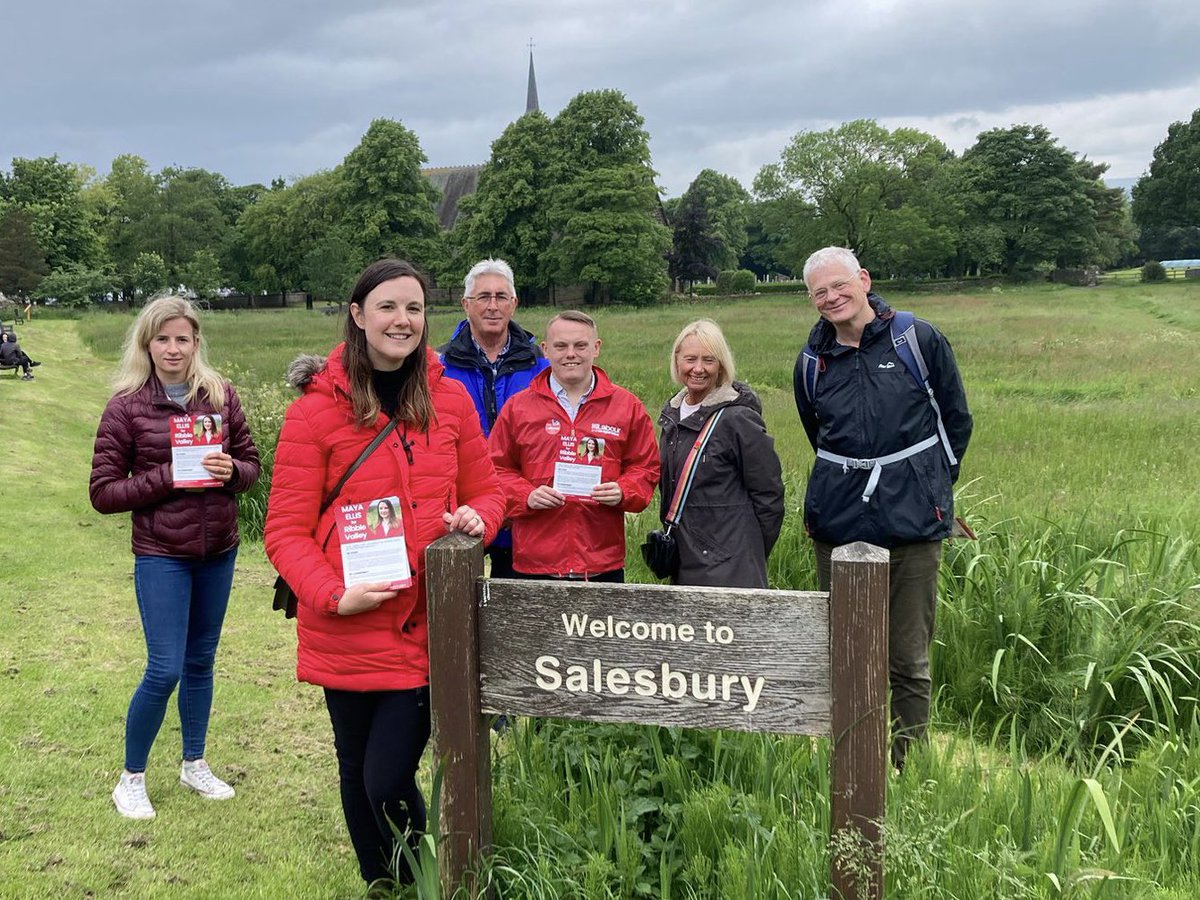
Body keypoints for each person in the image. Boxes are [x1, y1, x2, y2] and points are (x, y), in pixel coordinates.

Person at [263, 259, 506, 892]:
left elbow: (488, 491)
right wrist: (331, 594)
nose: (403, 321)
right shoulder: (314, 413)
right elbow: (285, 530)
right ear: (357, 314)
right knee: (355, 772)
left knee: (386, 778)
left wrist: (476, 518)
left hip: (424, 624)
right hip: (343, 623)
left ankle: (421, 881)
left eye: (414, 309)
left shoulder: (449, 399)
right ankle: (384, 886)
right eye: (389, 307)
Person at [793, 246, 972, 770]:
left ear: (864, 280)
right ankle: (852, 757)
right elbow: (819, 434)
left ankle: (907, 766)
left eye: (839, 285)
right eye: (819, 292)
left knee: (907, 657)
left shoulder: (918, 340)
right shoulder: (811, 362)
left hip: (915, 521)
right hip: (839, 520)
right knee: (845, 650)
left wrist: (925, 485)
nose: (832, 297)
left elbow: (954, 421)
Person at [89, 296, 260, 820]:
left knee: (201, 662)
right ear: (147, 343)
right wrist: (168, 476)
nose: (172, 348)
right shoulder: (126, 407)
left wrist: (233, 470)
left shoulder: (220, 395)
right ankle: (131, 777)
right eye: (162, 339)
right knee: (164, 668)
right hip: (162, 554)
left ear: (196, 343)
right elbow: (103, 493)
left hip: (219, 551)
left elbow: (253, 466)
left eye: (182, 338)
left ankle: (194, 763)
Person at [489, 310, 659, 582]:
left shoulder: (627, 407)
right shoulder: (518, 408)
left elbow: (646, 468)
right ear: (545, 350)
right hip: (535, 562)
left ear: (596, 348)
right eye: (561, 346)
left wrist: (624, 490)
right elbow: (494, 471)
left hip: (601, 563)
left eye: (580, 345)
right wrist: (526, 496)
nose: (571, 354)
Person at [438, 258, 549, 577]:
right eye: (483, 297)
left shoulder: (541, 366)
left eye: (501, 297)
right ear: (465, 304)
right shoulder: (439, 365)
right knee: (453, 605)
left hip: (524, 509)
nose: (492, 305)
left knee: (515, 613)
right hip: (460, 508)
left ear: (514, 303)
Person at [659, 319, 784, 588]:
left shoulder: (738, 419)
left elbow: (769, 495)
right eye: (690, 359)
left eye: (709, 360)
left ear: (722, 365)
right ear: (677, 361)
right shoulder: (672, 415)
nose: (698, 369)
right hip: (683, 557)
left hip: (730, 565)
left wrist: (747, 552)